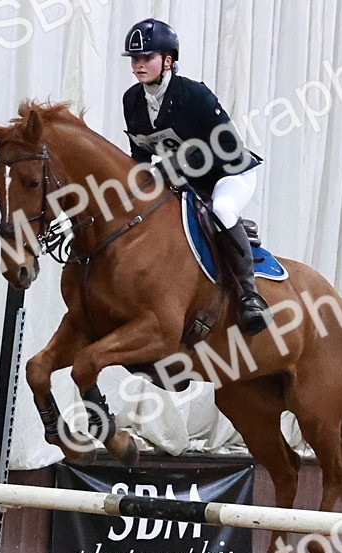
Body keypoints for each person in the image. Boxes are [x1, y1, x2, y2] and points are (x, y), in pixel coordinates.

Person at [121, 18, 271, 335]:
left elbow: (229, 146)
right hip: (189, 184)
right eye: (135, 59)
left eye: (147, 57)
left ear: (168, 60)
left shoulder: (194, 95)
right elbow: (141, 156)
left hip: (230, 174)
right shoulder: (132, 101)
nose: (139, 65)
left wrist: (176, 166)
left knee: (223, 210)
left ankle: (250, 297)